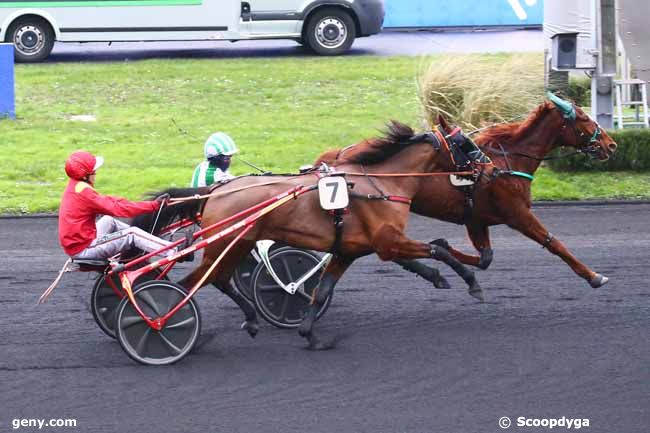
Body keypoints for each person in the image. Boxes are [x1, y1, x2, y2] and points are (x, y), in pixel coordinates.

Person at [58, 150, 177, 262]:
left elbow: (113, 202)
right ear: (85, 175)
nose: (96, 173)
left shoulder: (76, 186)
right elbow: (118, 208)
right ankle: (174, 251)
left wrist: (151, 204)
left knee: (108, 221)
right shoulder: (84, 192)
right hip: (85, 249)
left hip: (81, 244)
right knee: (132, 233)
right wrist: (153, 205)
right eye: (93, 171)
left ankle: (148, 241)